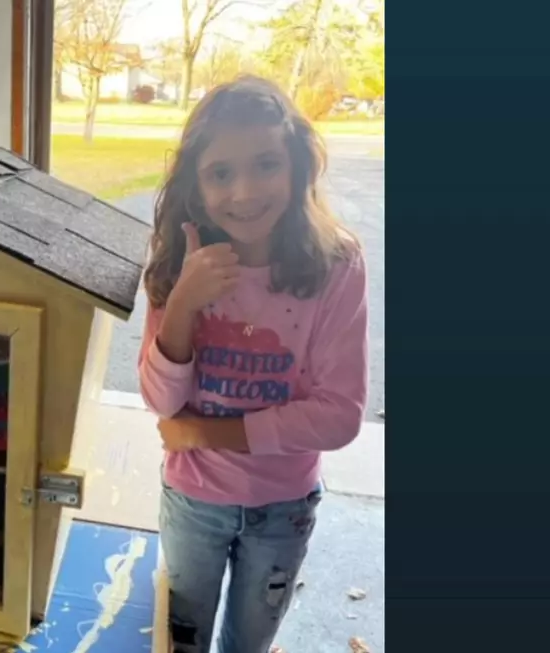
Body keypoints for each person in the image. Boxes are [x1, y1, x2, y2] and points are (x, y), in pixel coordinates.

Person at [138, 75, 368, 653]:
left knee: (250, 644)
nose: (245, 192)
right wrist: (185, 300)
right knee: (180, 640)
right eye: (221, 173)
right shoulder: (177, 262)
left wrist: (207, 431)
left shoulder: (337, 263)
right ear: (195, 185)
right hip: (194, 501)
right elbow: (162, 403)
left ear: (296, 166)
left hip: (283, 506)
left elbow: (339, 416)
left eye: (266, 164)